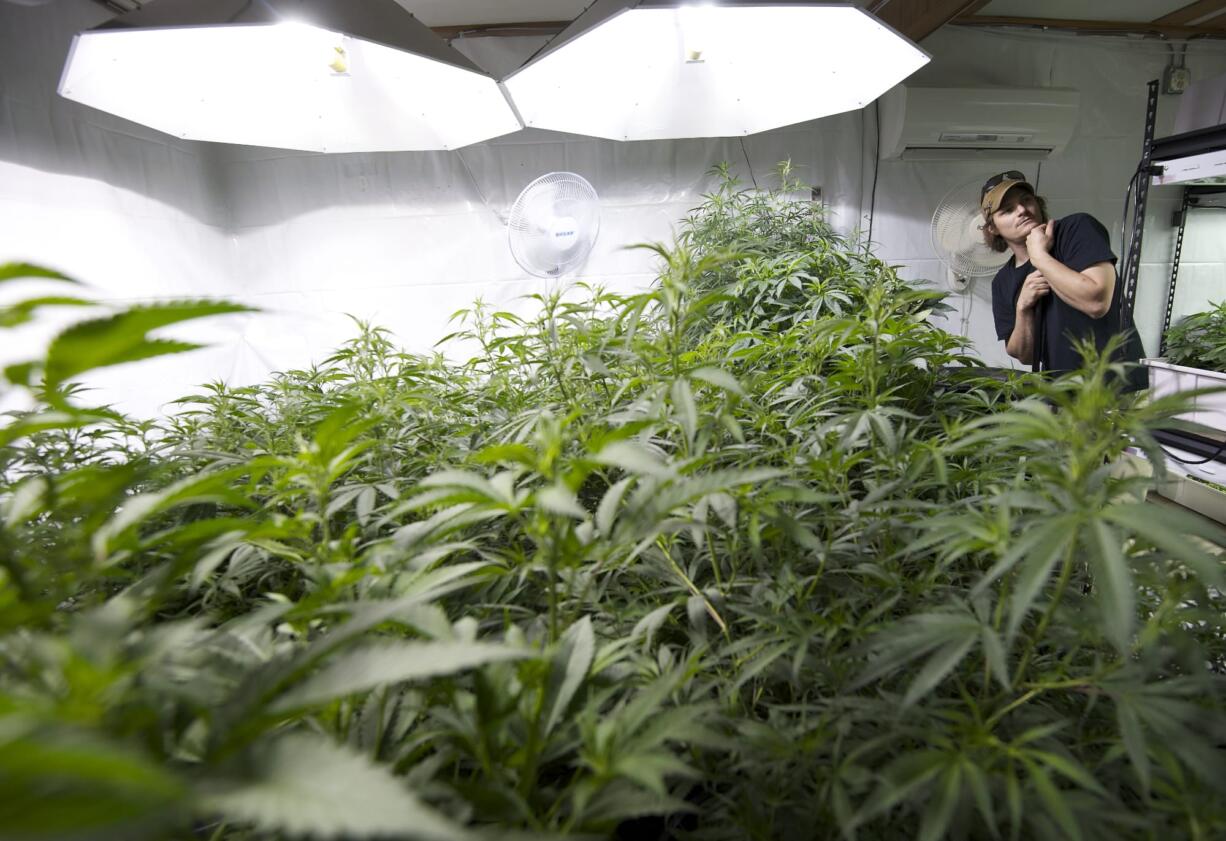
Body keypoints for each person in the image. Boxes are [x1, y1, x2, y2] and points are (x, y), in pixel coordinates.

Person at [981, 171, 1142, 378]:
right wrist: (1023, 308)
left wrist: (1039, 256)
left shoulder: (1076, 229)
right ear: (993, 228)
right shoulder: (1002, 282)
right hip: (1059, 390)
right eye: (1007, 210)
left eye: (1026, 200)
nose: (1021, 210)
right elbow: (1024, 355)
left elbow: (1097, 302)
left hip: (1114, 385)